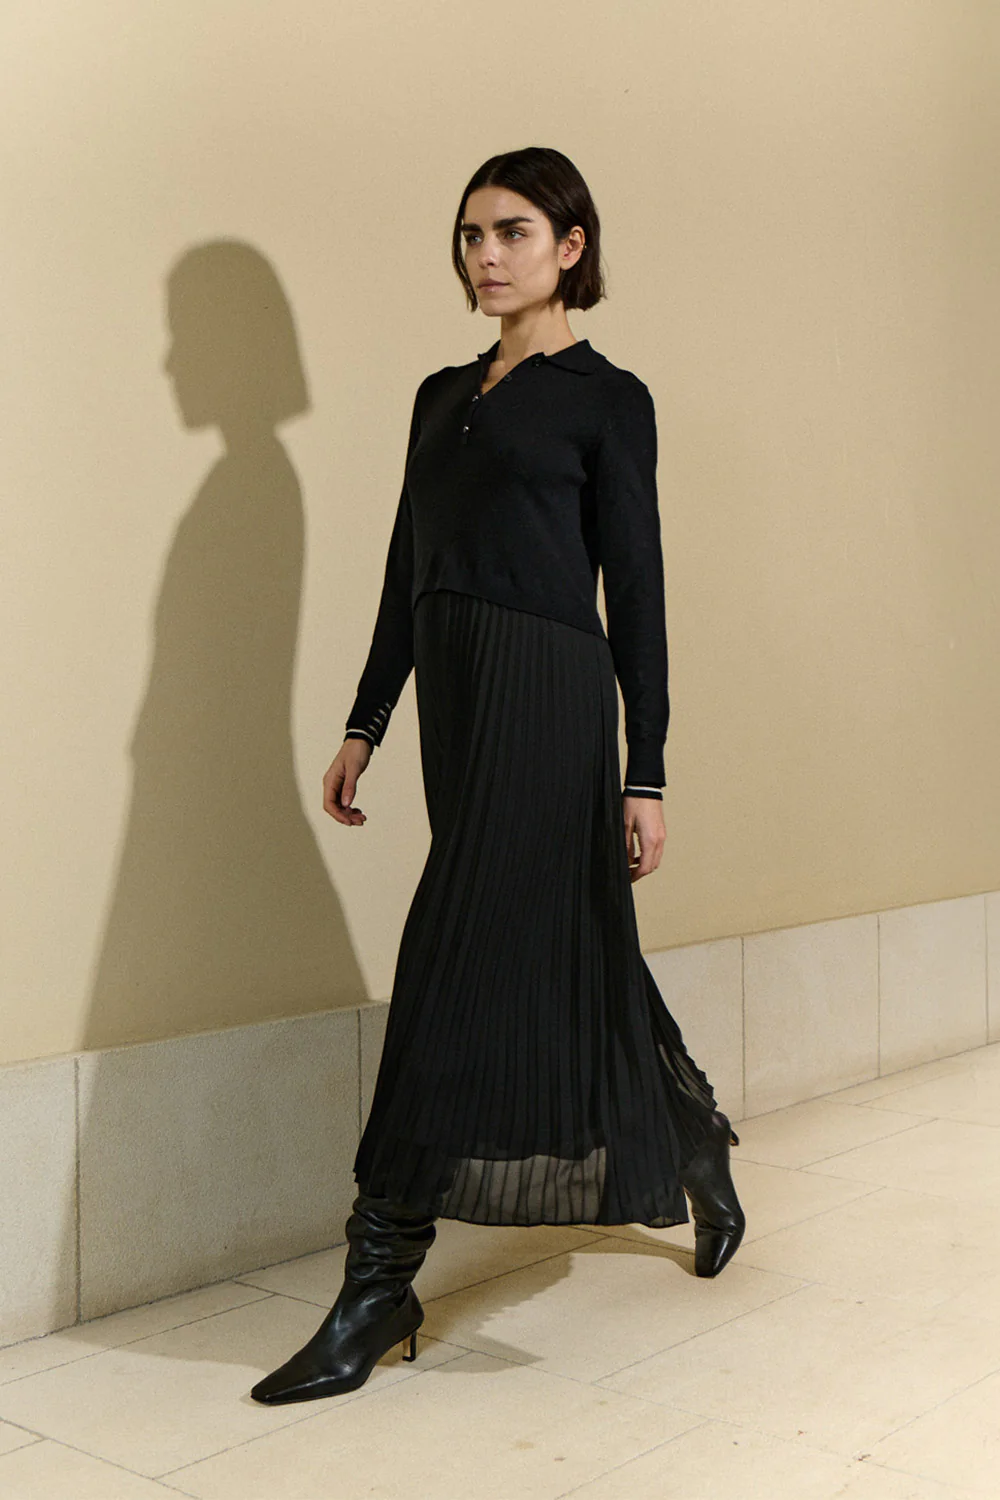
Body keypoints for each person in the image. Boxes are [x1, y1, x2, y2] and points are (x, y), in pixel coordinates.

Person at [251, 146, 745, 1408]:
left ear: (570, 246)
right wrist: (366, 718)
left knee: (449, 959)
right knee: (569, 932)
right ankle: (691, 1134)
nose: (486, 254)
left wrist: (647, 769)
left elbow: (635, 591)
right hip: (457, 702)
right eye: (471, 234)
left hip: (547, 695)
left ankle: (378, 1280)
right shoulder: (438, 395)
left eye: (513, 231)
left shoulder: (607, 399)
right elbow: (405, 566)